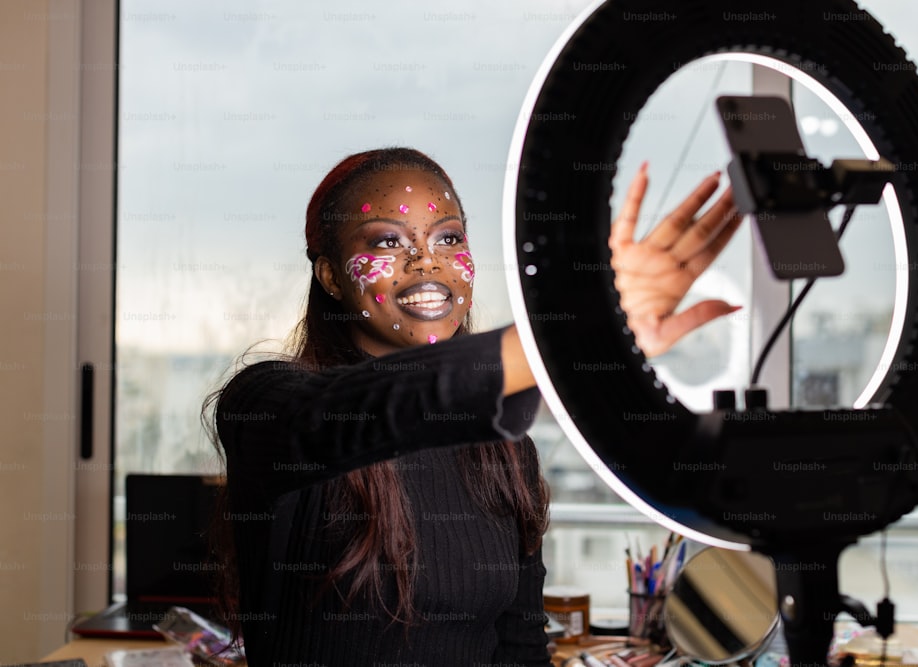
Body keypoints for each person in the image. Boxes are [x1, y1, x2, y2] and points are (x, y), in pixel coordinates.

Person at [207, 147, 740, 666]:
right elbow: (349, 412)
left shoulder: (505, 451)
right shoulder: (265, 403)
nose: (426, 260)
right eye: (388, 241)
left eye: (449, 237)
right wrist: (571, 331)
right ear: (330, 277)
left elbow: (520, 647)